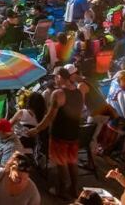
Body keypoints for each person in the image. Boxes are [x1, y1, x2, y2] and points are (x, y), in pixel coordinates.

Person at [27, 66, 83, 200]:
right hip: (74, 134)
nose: (54, 80)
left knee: (61, 163)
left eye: (55, 77)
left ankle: (62, 190)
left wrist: (36, 129)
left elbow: (50, 117)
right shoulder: (79, 91)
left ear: (59, 77)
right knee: (72, 162)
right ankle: (74, 189)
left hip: (60, 135)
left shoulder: (58, 94)